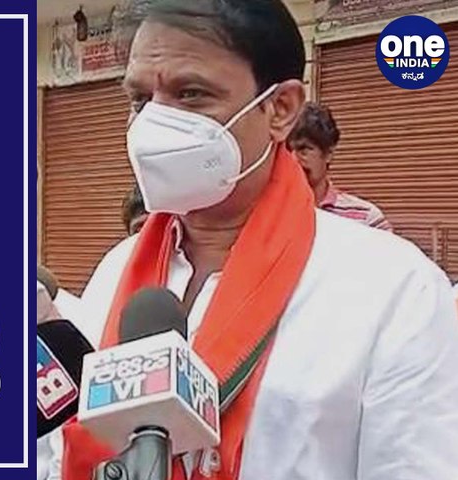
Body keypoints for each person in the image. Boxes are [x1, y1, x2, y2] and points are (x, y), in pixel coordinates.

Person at [54, 1, 458, 479]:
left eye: (191, 94)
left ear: (281, 109)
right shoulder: (117, 271)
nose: (154, 126)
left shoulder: (392, 289)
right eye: (141, 100)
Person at [288, 102, 392, 231]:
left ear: (328, 154)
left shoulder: (366, 219)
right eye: (287, 150)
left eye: (303, 149)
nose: (293, 159)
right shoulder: (271, 215)